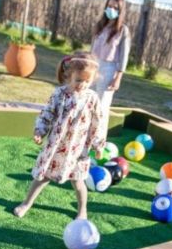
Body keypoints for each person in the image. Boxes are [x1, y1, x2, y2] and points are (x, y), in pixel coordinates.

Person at [13, 52, 105, 220]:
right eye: (78, 80)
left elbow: (97, 123)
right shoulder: (60, 93)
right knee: (43, 177)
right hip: (56, 146)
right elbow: (48, 113)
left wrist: (98, 145)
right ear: (69, 75)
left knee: (78, 181)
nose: (82, 84)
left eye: (87, 81)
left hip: (77, 150)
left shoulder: (92, 98)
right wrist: (40, 131)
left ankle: (82, 210)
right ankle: (26, 203)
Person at [91, 0, 130, 128]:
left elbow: (124, 55)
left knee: (102, 105)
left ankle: (98, 141)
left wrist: (118, 77)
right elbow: (92, 48)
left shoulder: (122, 30)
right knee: (87, 100)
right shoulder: (100, 26)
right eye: (109, 6)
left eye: (115, 7)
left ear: (120, 10)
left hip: (109, 68)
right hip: (93, 65)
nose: (111, 10)